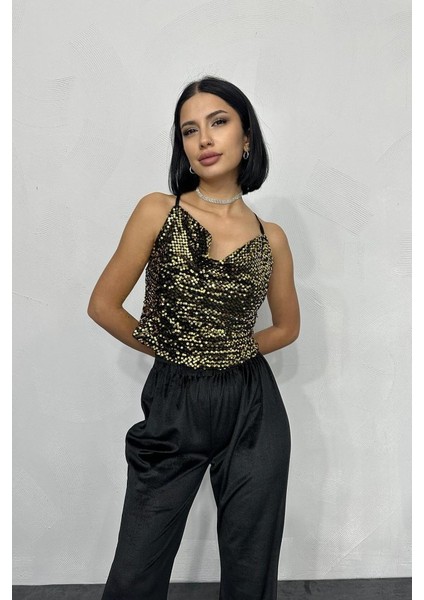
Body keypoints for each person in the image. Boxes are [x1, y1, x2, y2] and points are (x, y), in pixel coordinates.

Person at [87, 75, 300, 600]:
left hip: (253, 406)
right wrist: (174, 345)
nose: (203, 139)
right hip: (174, 400)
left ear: (246, 138)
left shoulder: (271, 237)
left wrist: (233, 347)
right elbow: (103, 306)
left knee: (251, 563)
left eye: (218, 122)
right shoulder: (159, 210)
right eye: (189, 130)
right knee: (137, 568)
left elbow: (287, 327)